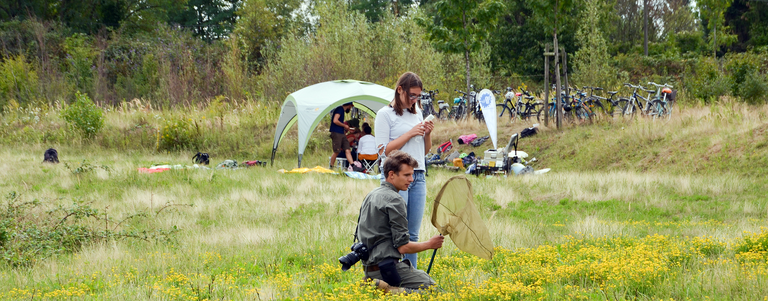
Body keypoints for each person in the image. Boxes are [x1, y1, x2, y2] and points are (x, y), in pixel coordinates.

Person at [357, 150, 444, 293]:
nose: (412, 179)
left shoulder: (372, 194)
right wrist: (430, 244)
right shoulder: (395, 200)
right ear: (391, 174)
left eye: (412, 174)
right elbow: (403, 247)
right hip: (388, 269)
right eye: (407, 175)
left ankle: (376, 284)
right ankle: (391, 291)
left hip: (369, 268)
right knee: (434, 291)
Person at [375, 72, 434, 268]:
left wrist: (427, 134)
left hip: (418, 176)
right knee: (396, 232)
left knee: (413, 234)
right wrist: (409, 134)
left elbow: (423, 152)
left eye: (418, 96)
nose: (415, 100)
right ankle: (392, 272)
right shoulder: (385, 114)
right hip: (397, 178)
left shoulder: (417, 113)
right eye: (412, 95)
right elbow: (383, 151)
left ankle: (412, 276)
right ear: (399, 90)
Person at [329, 102, 355, 168]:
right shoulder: (340, 109)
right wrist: (344, 125)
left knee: (347, 150)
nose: (350, 108)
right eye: (351, 107)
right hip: (336, 132)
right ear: (349, 105)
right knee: (337, 151)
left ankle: (353, 166)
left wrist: (347, 129)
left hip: (341, 132)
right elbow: (335, 120)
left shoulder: (342, 111)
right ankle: (331, 166)